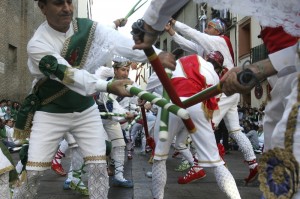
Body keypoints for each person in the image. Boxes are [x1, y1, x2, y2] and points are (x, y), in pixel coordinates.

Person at [12, 1, 175, 198]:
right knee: (35, 172)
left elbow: (117, 41)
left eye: (69, 2)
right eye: (58, 3)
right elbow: (68, 74)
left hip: (85, 109)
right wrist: (108, 85)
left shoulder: (86, 27)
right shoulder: (37, 44)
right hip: (51, 110)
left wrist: (155, 55)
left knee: (99, 166)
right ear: (42, 7)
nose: (67, 8)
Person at [165, 18, 258, 184]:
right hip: (230, 92)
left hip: (225, 90)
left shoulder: (220, 41)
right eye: (206, 26)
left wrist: (175, 23)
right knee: (235, 130)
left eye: (210, 26)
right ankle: (253, 164)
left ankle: (199, 167)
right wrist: (172, 33)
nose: (206, 28)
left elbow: (194, 35)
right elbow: (188, 44)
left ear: (218, 31)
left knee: (204, 125)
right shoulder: (206, 45)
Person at [147, 51, 241, 199]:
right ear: (218, 66)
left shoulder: (178, 62)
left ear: (205, 57)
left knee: (160, 158)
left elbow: (155, 78)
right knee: (217, 163)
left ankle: (158, 197)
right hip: (196, 104)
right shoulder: (214, 74)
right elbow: (212, 99)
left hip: (171, 104)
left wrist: (145, 94)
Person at [96, 61, 138, 188]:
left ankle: (119, 177)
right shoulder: (104, 80)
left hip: (112, 120)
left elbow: (135, 101)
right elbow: (111, 104)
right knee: (88, 149)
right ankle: (72, 178)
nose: (126, 73)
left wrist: (135, 109)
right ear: (115, 70)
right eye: (123, 70)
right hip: (96, 119)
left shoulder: (130, 84)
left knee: (120, 145)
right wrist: (125, 114)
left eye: (127, 70)